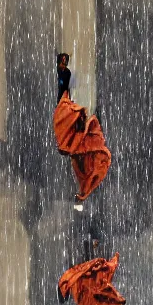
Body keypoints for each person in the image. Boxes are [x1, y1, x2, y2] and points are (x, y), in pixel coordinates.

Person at [53, 55, 111, 202]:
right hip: (76, 133)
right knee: (64, 95)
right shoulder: (89, 168)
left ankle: (64, 68)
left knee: (65, 94)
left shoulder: (88, 170)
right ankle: (64, 68)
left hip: (76, 131)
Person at [58, 252, 126, 305]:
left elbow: (90, 303)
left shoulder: (77, 293)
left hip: (91, 280)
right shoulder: (69, 279)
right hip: (91, 277)